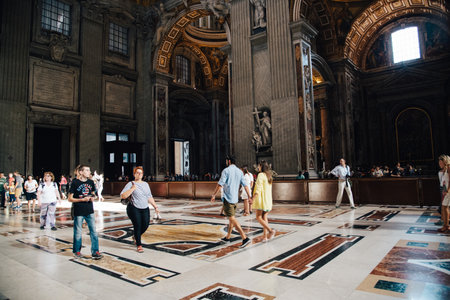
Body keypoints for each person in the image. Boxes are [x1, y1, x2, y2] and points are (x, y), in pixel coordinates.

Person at [211, 155, 253, 248]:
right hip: (235, 199)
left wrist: (214, 195)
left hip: (228, 198)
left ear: (229, 161)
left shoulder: (226, 171)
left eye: (226, 161)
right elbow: (246, 185)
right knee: (231, 219)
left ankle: (245, 238)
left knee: (232, 219)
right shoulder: (239, 171)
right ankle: (227, 238)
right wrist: (250, 196)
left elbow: (220, 184)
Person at [120, 166, 160, 253]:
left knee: (145, 225)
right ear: (134, 174)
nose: (139, 174)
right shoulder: (131, 184)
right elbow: (123, 196)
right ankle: (139, 245)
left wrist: (155, 206)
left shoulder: (146, 184)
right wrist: (132, 189)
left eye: (141, 173)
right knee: (137, 225)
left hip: (145, 207)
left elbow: (149, 196)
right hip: (134, 208)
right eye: (137, 173)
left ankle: (135, 236)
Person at [68, 165, 103, 259]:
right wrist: (82, 200)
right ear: (81, 172)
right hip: (79, 210)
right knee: (78, 232)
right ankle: (77, 251)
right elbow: (70, 198)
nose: (89, 172)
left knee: (93, 232)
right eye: (87, 170)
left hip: (89, 210)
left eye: (89, 170)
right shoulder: (75, 182)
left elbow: (94, 195)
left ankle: (95, 251)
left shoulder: (91, 182)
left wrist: (93, 198)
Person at [252, 161, 276, 242]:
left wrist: (253, 198)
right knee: (264, 217)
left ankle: (270, 231)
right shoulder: (269, 176)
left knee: (258, 217)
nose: (258, 168)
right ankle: (265, 236)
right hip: (268, 200)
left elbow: (258, 188)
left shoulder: (261, 175)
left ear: (261, 166)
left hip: (261, 199)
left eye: (258, 166)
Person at [437, 155, 450, 233]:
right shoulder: (444, 169)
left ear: (445, 161)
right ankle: (445, 225)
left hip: (447, 191)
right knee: (444, 208)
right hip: (444, 190)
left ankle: (447, 226)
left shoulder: (449, 168)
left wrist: (447, 190)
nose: (439, 163)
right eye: (439, 162)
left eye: (441, 162)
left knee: (445, 208)